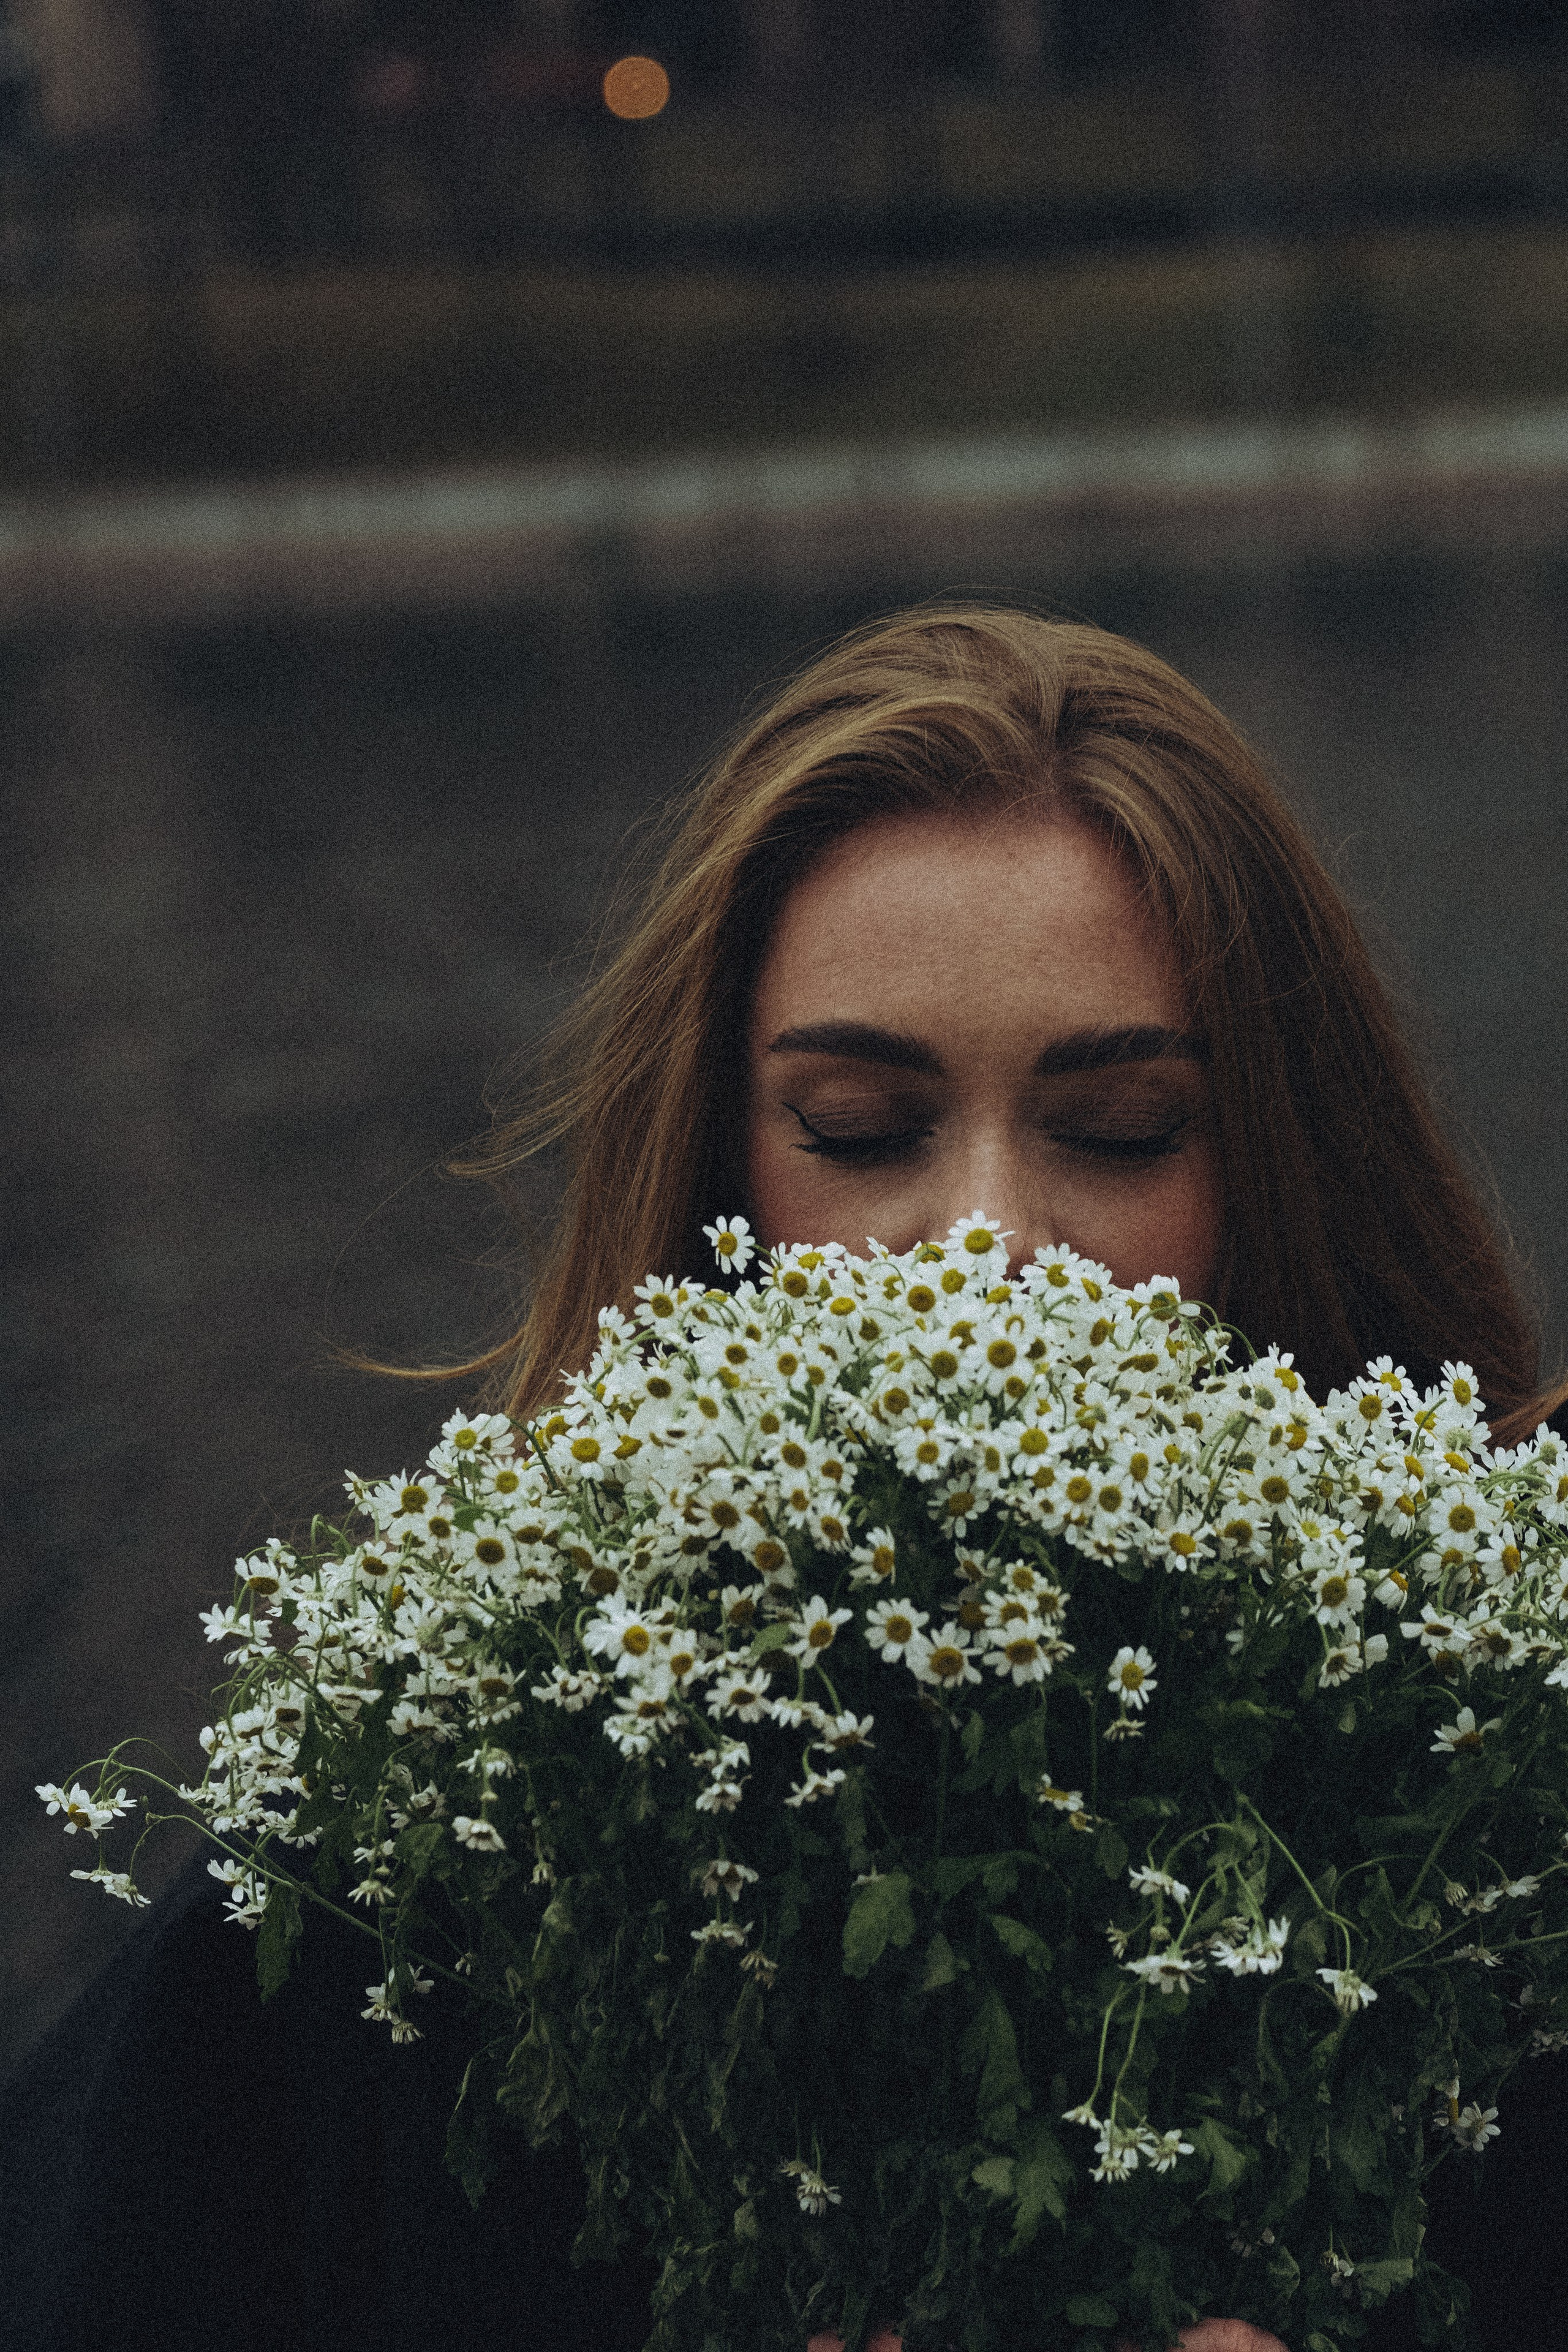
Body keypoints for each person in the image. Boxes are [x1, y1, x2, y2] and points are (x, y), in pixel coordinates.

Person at [6, 605, 1561, 2352]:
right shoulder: (408, 1896)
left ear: (1285, 1168)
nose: (984, 1251)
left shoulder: (1500, 1847)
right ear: (712, 1179)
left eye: (1121, 1131)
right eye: (859, 1129)